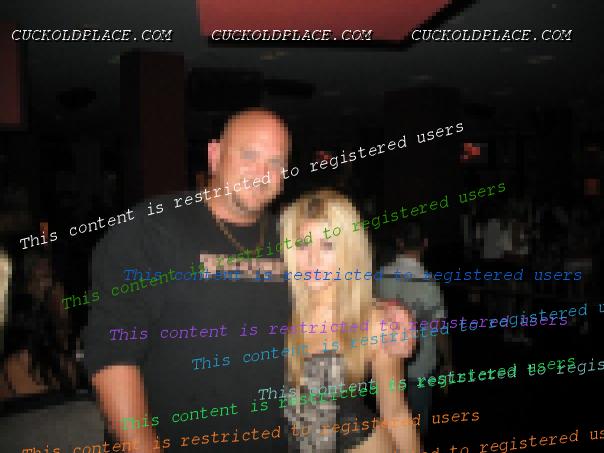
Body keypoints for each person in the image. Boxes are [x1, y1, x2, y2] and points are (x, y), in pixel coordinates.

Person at [83, 108, 292, 451]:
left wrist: (378, 310)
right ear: (215, 155)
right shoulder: (150, 229)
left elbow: (329, 303)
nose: (262, 172)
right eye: (249, 155)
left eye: (275, 162)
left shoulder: (292, 238)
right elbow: (113, 354)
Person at [279, 189, 421, 452]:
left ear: (349, 251)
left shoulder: (377, 323)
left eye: (328, 245)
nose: (313, 259)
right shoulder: (281, 309)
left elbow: (395, 410)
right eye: (303, 244)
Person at [376, 222, 447, 433]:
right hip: (419, 366)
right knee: (417, 426)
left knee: (388, 424)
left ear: (399, 242)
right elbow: (439, 329)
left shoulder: (381, 275)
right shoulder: (428, 283)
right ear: (425, 244)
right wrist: (448, 361)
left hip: (384, 362)